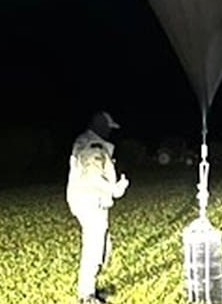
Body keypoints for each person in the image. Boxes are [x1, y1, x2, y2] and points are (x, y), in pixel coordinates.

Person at [66, 111, 130, 304]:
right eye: (108, 128)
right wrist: (116, 189)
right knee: (94, 248)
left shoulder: (84, 141)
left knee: (102, 247)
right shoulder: (94, 146)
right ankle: (86, 296)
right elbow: (93, 175)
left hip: (85, 200)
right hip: (91, 201)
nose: (110, 132)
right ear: (100, 126)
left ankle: (90, 288)